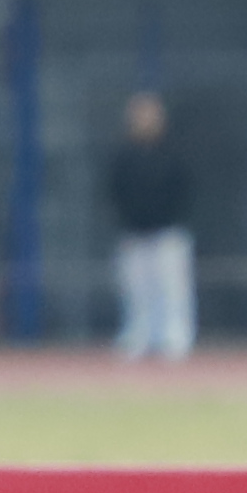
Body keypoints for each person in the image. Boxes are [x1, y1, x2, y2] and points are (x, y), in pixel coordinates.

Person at [102, 89, 197, 362]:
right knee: (135, 291)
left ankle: (174, 340)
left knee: (172, 289)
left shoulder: (174, 152)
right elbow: (114, 191)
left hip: (168, 232)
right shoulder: (123, 156)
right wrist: (128, 220)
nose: (145, 120)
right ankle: (137, 337)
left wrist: (169, 219)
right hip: (133, 233)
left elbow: (184, 189)